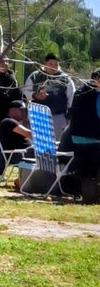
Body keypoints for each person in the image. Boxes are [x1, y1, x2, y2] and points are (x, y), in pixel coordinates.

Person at [60, 69, 100, 205]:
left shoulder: (80, 91)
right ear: (97, 79)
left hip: (78, 137)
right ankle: (92, 200)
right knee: (93, 171)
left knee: (86, 171)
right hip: (94, 138)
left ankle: (88, 199)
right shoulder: (95, 94)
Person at [24, 53, 75, 143]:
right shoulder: (35, 76)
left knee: (57, 144)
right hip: (38, 116)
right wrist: (35, 95)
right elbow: (26, 92)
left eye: (56, 64)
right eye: (50, 64)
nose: (53, 67)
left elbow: (72, 98)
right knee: (39, 144)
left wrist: (69, 117)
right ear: (45, 63)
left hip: (58, 117)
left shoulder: (65, 79)